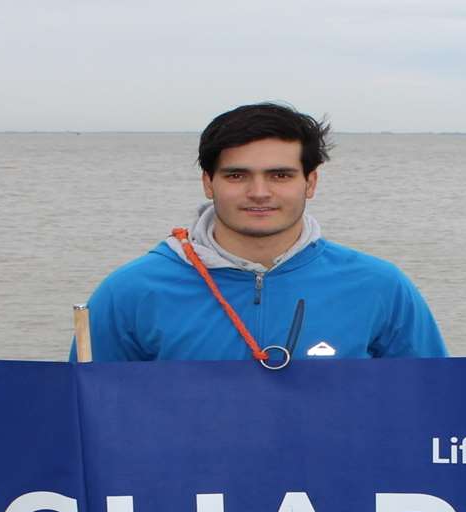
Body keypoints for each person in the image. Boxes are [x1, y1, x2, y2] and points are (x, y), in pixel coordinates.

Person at [76, 102, 445, 365]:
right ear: (208, 182)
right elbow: (85, 417)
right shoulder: (132, 290)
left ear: (310, 182)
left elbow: (432, 406)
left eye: (280, 175)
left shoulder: (379, 286)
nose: (259, 192)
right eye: (237, 175)